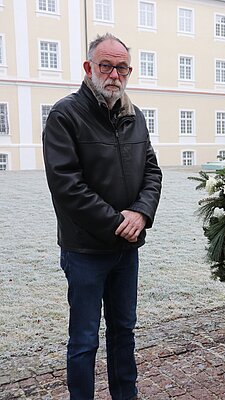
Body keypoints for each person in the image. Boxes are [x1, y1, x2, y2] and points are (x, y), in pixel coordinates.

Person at [43, 33, 162, 399]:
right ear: (88, 68)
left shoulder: (134, 116)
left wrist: (141, 213)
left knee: (124, 331)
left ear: (129, 71)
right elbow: (67, 186)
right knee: (83, 339)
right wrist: (118, 223)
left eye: (121, 68)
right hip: (85, 252)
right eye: (105, 66)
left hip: (126, 251)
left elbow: (152, 172)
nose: (114, 74)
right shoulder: (66, 115)